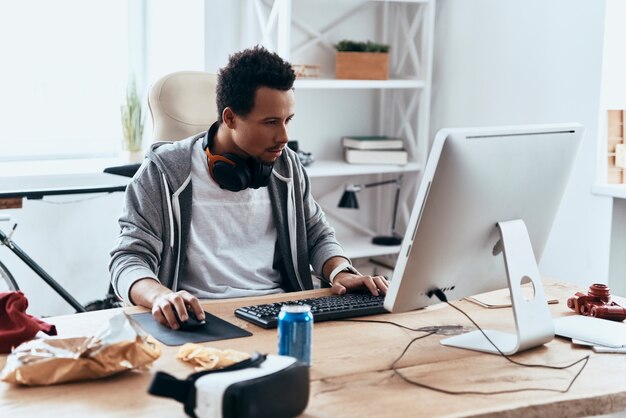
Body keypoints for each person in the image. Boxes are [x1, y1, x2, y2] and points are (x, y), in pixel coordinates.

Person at [109, 46, 389, 329]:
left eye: (287, 120)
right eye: (270, 123)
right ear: (230, 118)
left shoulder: (286, 167)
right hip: (200, 320)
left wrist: (341, 272)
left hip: (282, 314)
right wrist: (160, 296)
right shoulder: (164, 171)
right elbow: (128, 258)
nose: (284, 136)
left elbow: (316, 235)